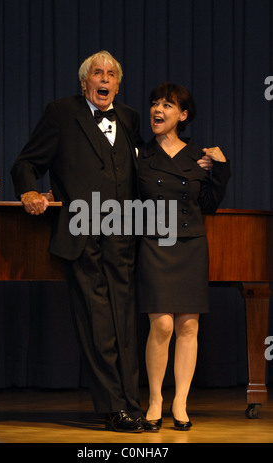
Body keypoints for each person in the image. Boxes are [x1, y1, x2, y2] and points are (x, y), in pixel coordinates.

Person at [11, 50, 159, 433]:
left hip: (124, 237)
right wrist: (29, 191)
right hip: (82, 235)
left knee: (125, 325)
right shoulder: (62, 113)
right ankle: (113, 409)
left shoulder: (128, 118)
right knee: (98, 325)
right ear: (85, 82)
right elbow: (26, 163)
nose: (105, 78)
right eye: (98, 73)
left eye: (112, 73)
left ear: (118, 83)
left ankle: (131, 405)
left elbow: (141, 171)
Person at [136, 82, 231, 430]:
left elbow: (209, 205)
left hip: (191, 243)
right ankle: (155, 399)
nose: (158, 111)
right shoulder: (140, 155)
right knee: (161, 325)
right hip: (153, 244)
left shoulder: (199, 157)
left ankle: (180, 402)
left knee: (188, 325)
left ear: (183, 115)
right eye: (155, 104)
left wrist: (220, 169)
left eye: (167, 106)